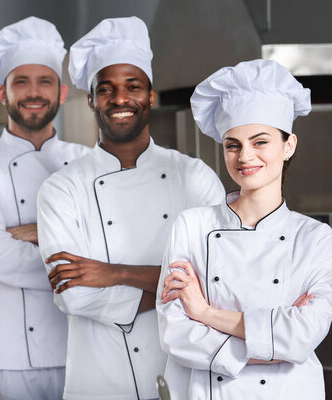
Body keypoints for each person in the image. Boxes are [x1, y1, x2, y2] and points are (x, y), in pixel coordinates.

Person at [36, 17, 225, 400]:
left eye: (132, 87)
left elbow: (221, 279)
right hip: (99, 381)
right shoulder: (61, 189)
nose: (119, 99)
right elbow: (73, 294)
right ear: (90, 100)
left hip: (184, 376)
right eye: (105, 90)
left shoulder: (194, 177)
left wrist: (113, 273)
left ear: (150, 96)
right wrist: (180, 291)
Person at [156, 59, 332, 399]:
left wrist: (206, 313)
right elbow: (175, 333)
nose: (245, 156)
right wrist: (271, 348)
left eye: (260, 142)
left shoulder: (315, 239)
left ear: (289, 146)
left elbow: (302, 335)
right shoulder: (193, 226)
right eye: (233, 144)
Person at [0, 16, 89, 400]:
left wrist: (31, 233)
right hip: (3, 353)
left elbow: (109, 244)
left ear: (61, 93)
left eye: (44, 81)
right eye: (21, 82)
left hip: (80, 347)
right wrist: (77, 257)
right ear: (2, 93)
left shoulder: (87, 162)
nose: (34, 92)